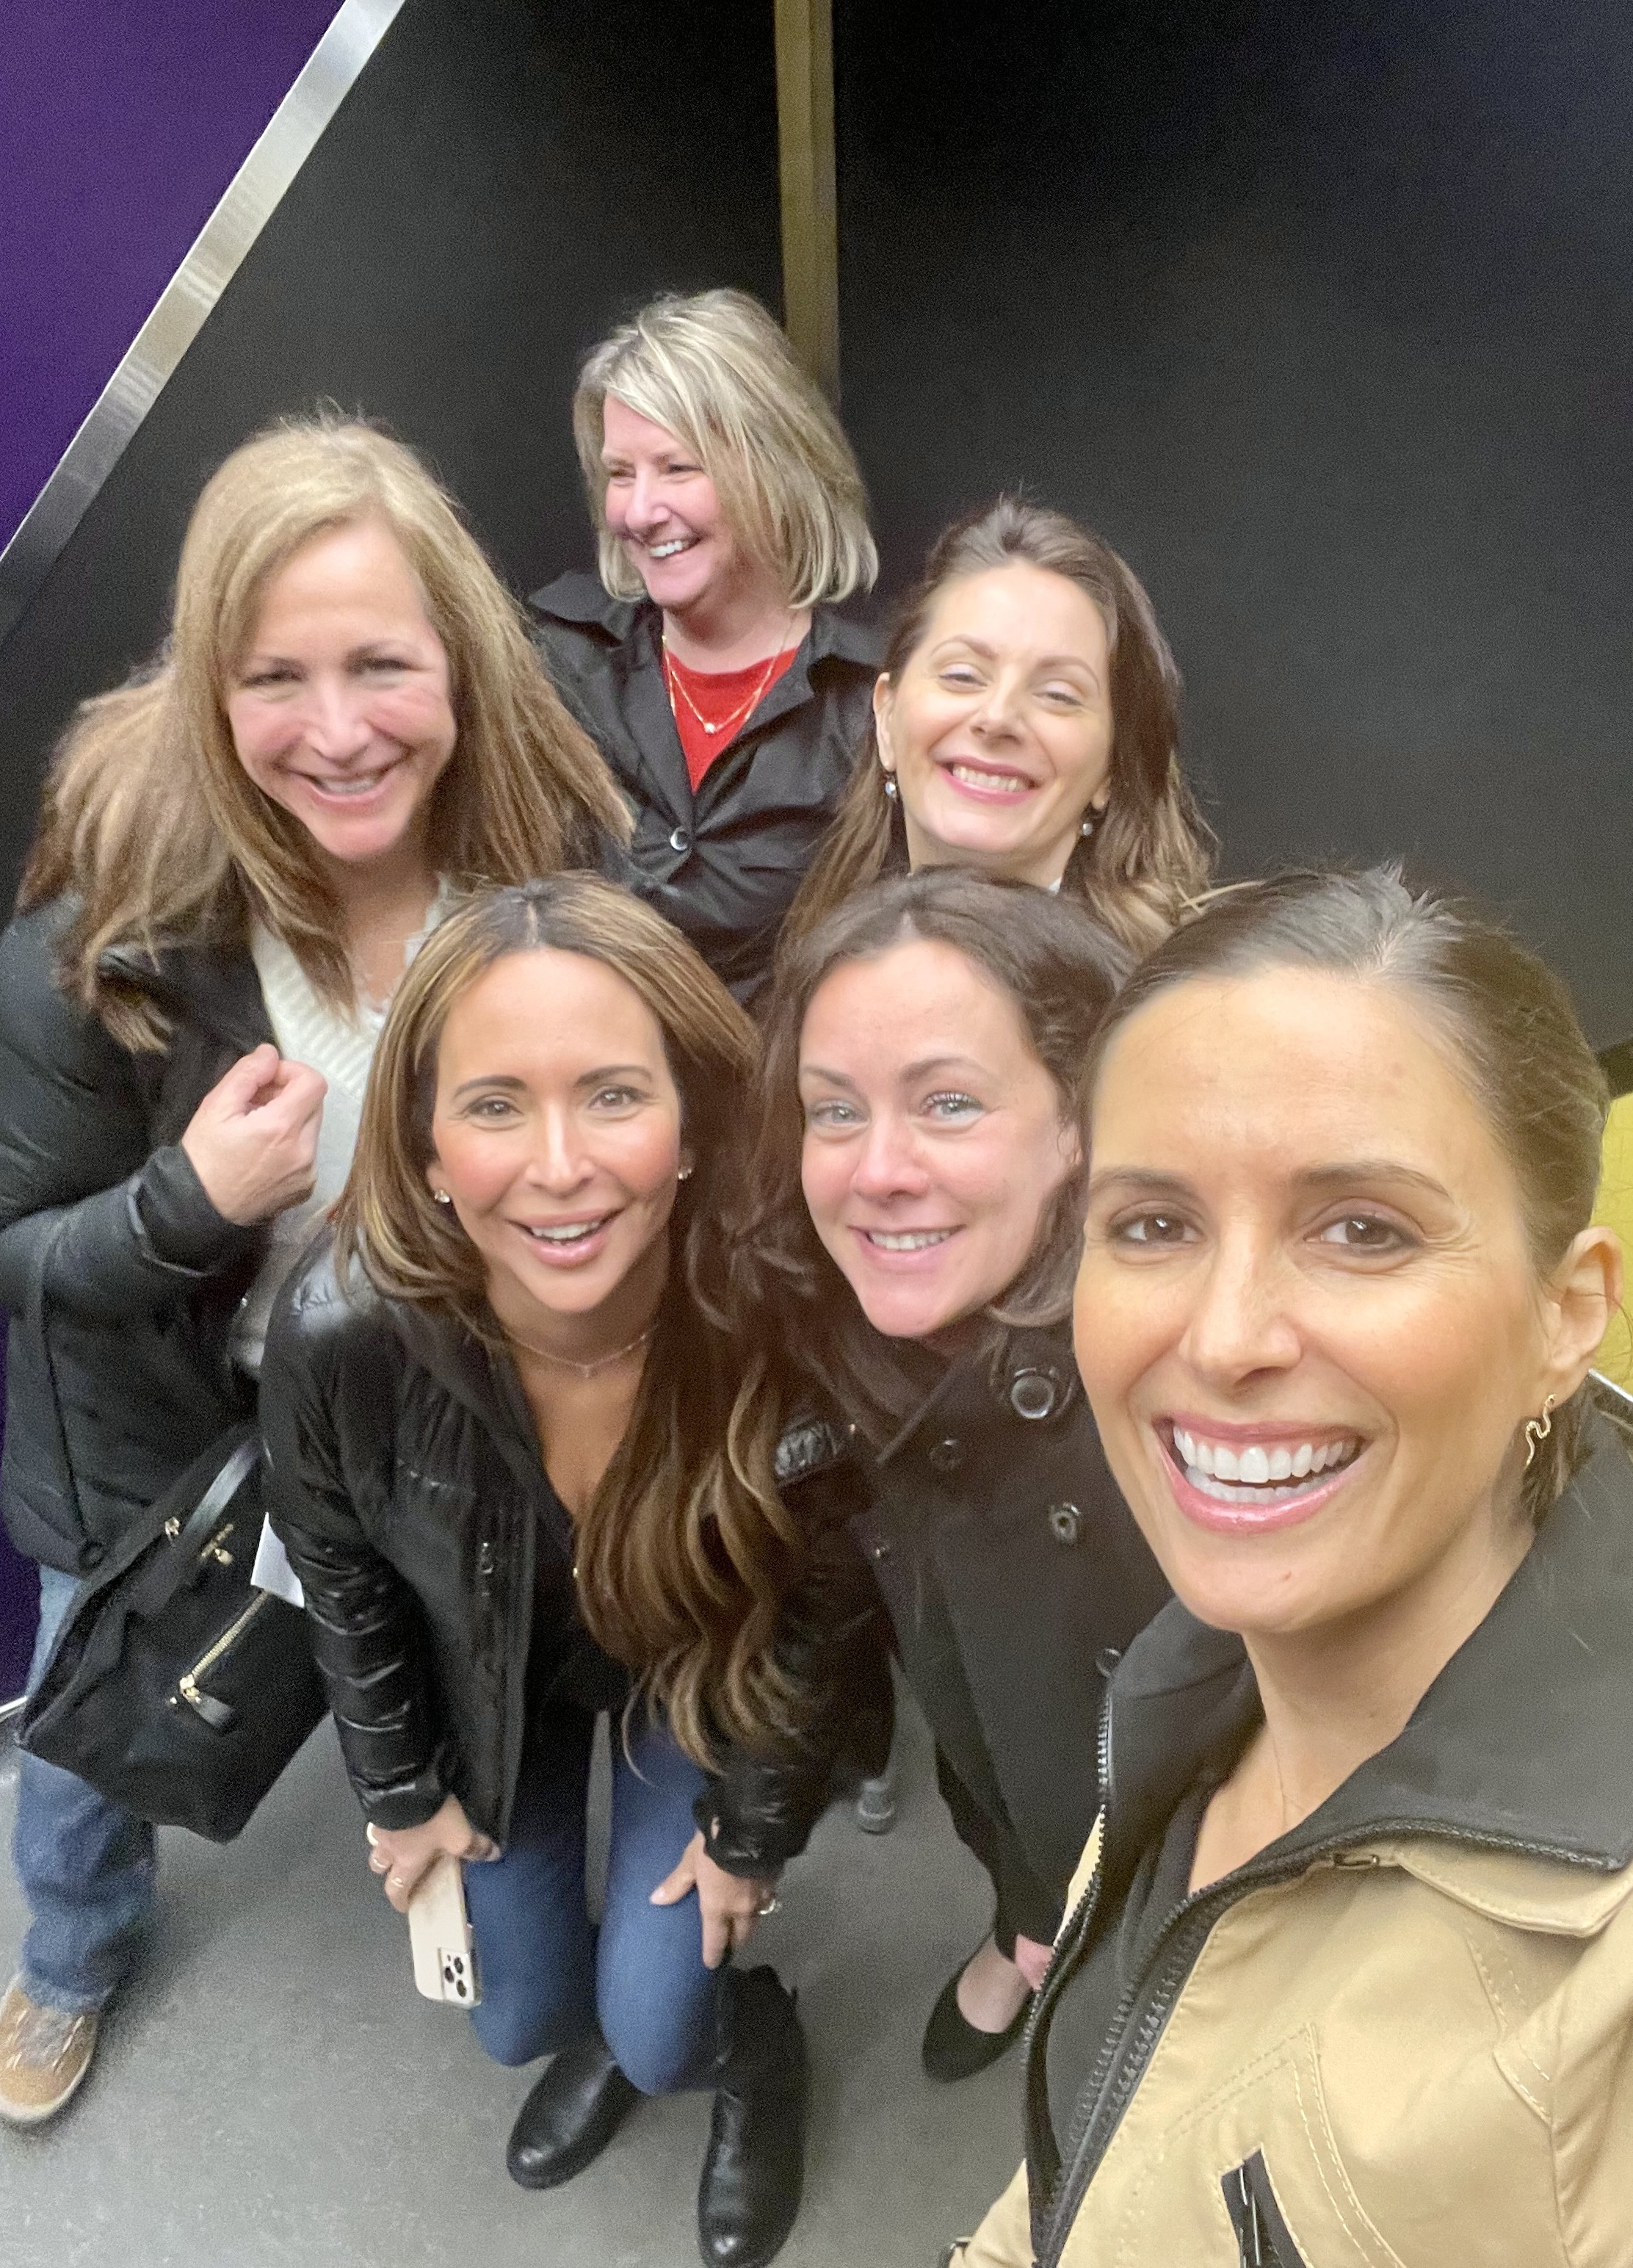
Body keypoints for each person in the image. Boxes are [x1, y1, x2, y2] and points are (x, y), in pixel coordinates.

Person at [0, 415, 626, 2128]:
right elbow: (13, 1250)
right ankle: (73, 1953)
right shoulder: (109, 936)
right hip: (169, 1447)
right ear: (213, 688)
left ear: (458, 662)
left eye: (380, 665)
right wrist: (187, 1200)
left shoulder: (541, 875)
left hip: (428, 1411)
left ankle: (466, 1848)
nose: (336, 731)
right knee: (93, 1731)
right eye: (276, 678)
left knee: (445, 1669)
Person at [956, 868, 1632, 2268]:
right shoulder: (1191, 1676)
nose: (1223, 1336)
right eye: (1153, 1223)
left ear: (1566, 1315)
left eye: (1362, 1227)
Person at [261, 875, 870, 2268]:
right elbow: (340, 1570)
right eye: (494, 1105)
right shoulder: (342, 1334)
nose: (558, 1165)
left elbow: (821, 1608)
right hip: (495, 1676)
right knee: (519, 2018)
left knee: (660, 2033)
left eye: (612, 1095)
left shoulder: (783, 1310)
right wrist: (399, 1789)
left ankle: (749, 2048)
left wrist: (753, 1830)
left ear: (692, 1124)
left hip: (691, 1665)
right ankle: (614, 2004)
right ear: (425, 1145)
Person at [709, 869, 1172, 2084]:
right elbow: (845, 1608)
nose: (877, 1169)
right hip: (1004, 1775)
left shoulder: (1184, 1398)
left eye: (948, 1103)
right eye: (834, 1110)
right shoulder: (844, 1334)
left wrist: (1082, 1899)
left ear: (1081, 1122)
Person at [532, 286, 883, 1003]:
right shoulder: (554, 664)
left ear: (773, 468)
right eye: (620, 474)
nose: (638, 512)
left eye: (677, 468)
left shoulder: (869, 705)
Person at [786, 496, 1213, 954]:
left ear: (1112, 769)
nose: (998, 718)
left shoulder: (1178, 995)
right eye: (962, 676)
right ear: (887, 718)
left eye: (1058, 695)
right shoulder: (815, 963)